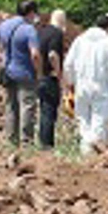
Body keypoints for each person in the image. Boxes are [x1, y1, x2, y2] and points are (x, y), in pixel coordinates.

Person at [62, 15, 108, 155]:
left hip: (81, 87)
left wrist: (70, 82)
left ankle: (85, 153)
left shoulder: (80, 40)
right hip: (101, 88)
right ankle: (94, 155)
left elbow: (68, 64)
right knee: (99, 122)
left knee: (83, 121)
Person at [0, 0, 41, 148]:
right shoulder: (29, 29)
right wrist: (39, 71)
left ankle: (11, 141)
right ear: (31, 13)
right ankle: (26, 143)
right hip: (25, 73)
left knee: (11, 106)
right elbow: (35, 54)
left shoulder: (5, 24)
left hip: (8, 71)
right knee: (27, 107)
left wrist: (0, 54)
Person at [36, 9, 67, 149]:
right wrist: (59, 74)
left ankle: (43, 142)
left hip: (40, 77)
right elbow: (53, 54)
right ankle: (47, 145)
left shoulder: (41, 32)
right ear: (61, 20)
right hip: (51, 77)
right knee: (50, 112)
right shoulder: (56, 33)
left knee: (44, 110)